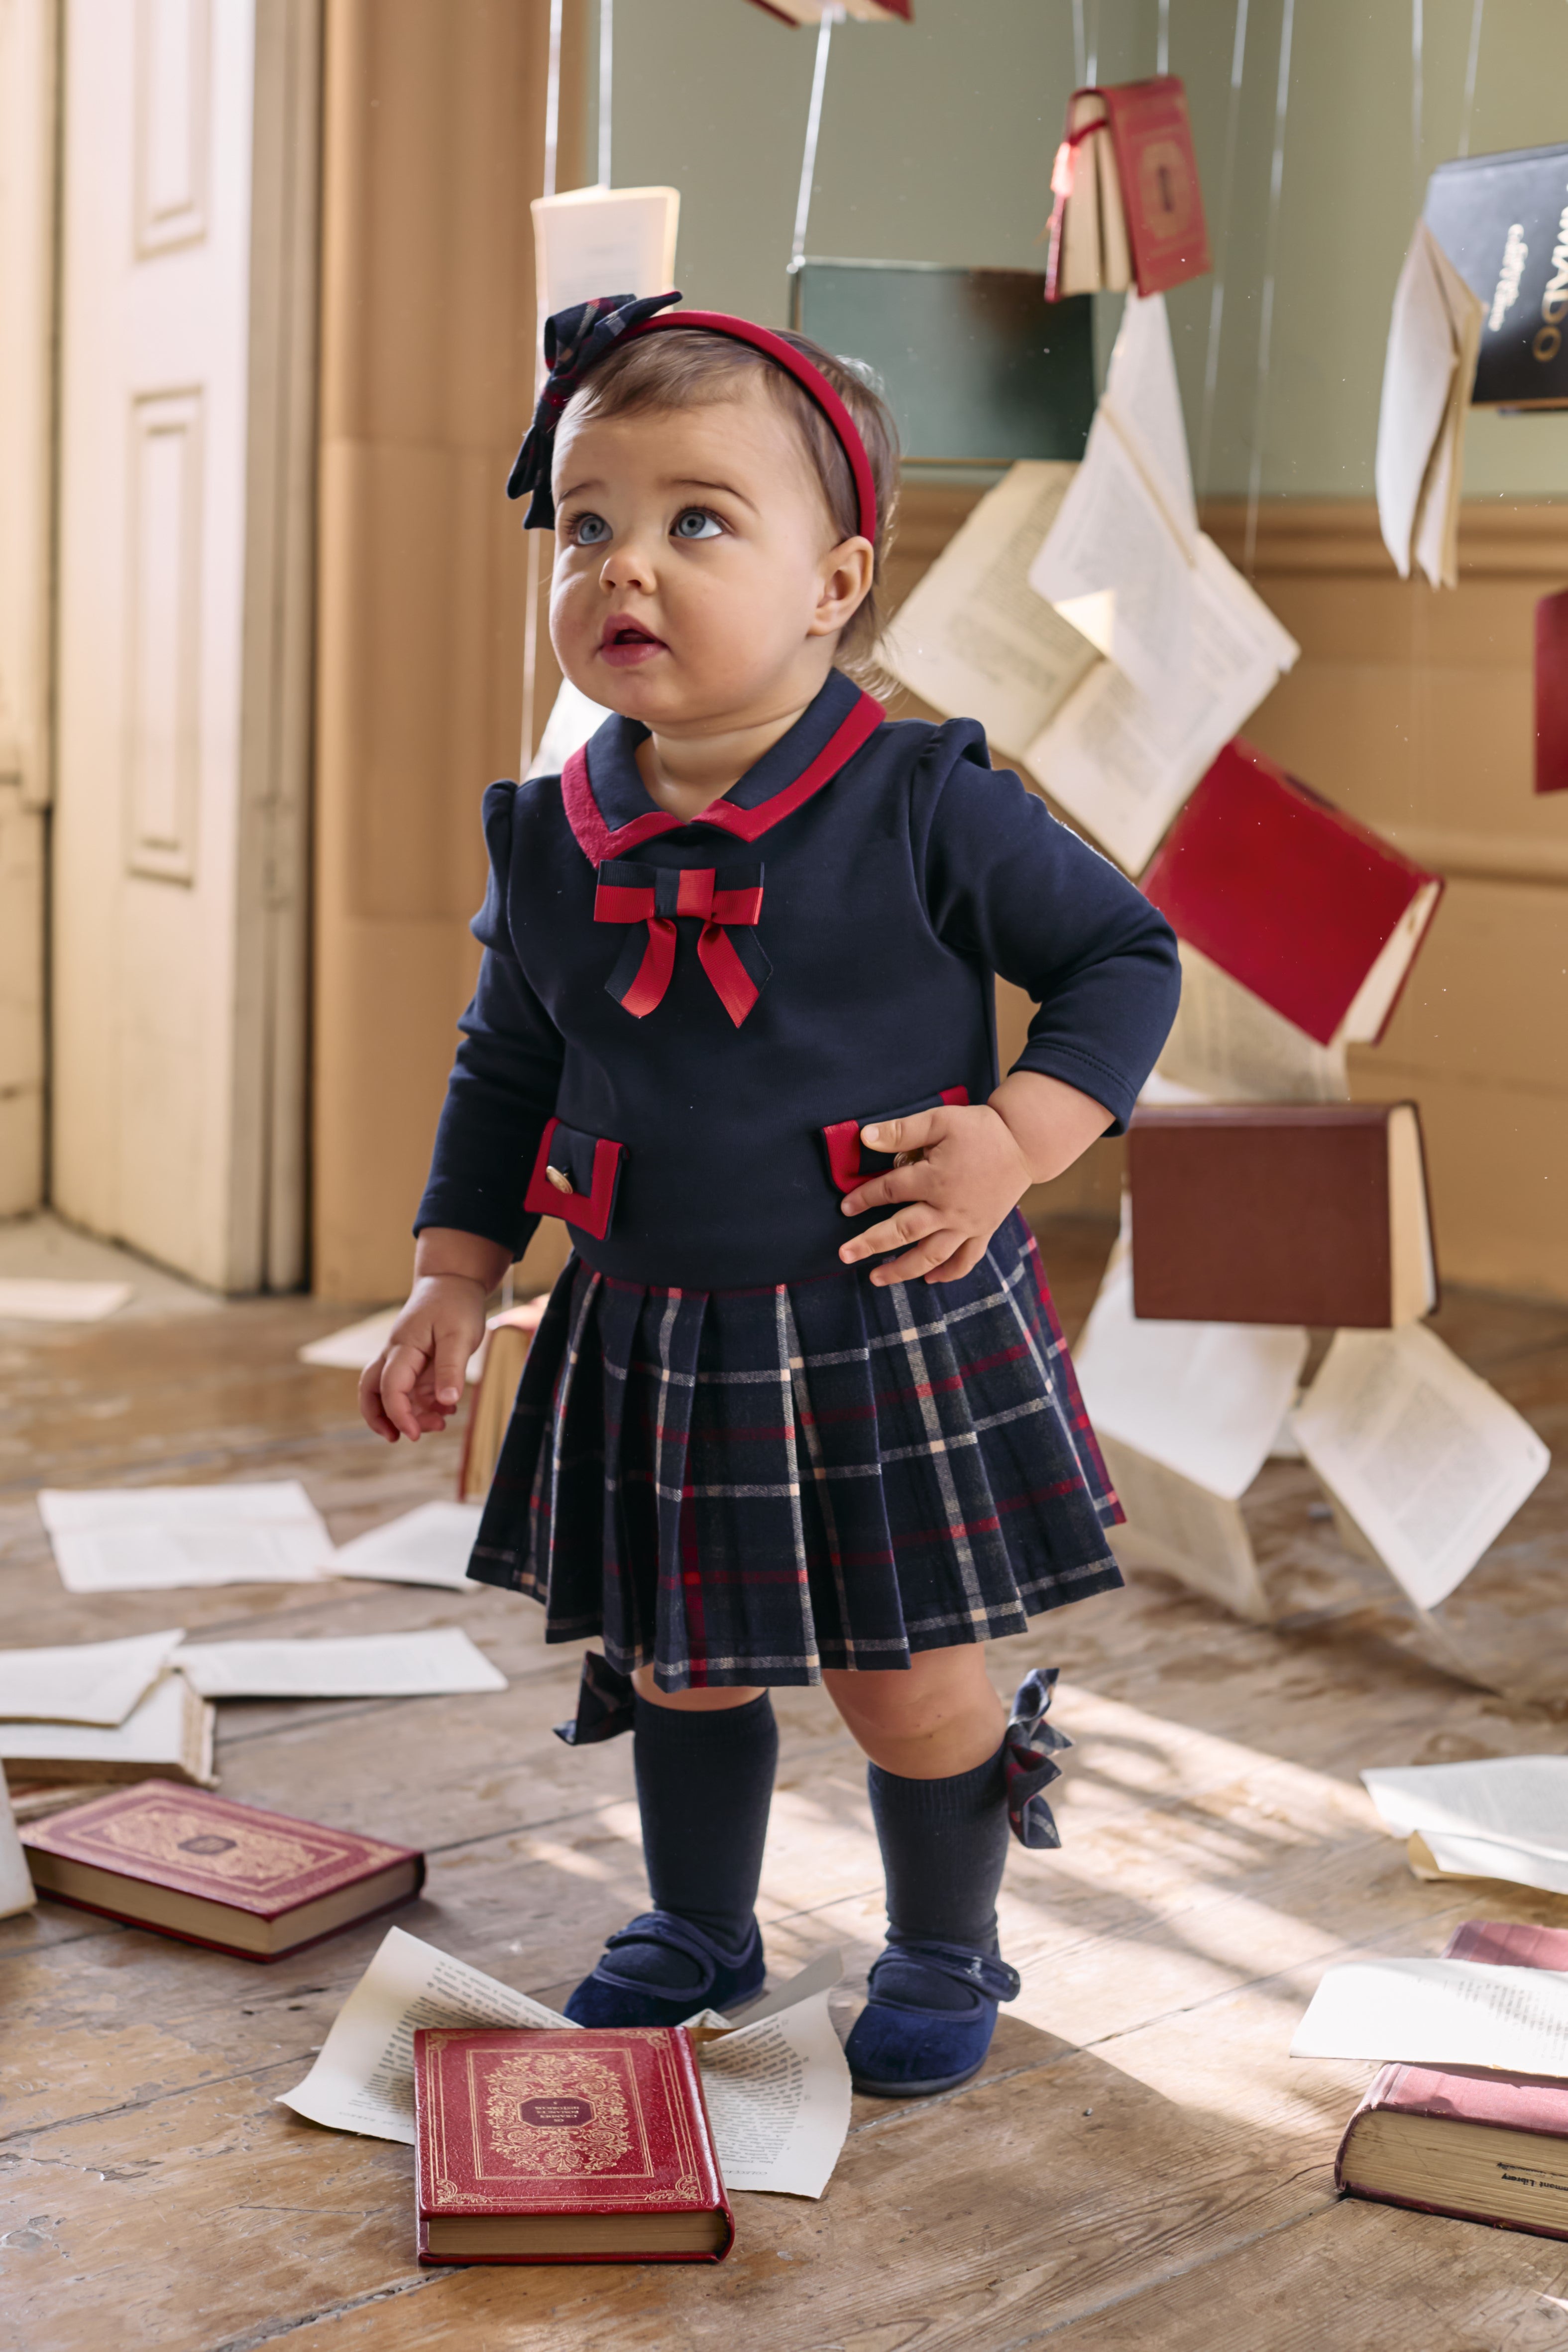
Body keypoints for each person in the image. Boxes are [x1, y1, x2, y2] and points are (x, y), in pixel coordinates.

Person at [360, 292, 1180, 2098]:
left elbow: (1123, 955)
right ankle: (700, 1924)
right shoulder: (550, 832)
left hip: (883, 1310)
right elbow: (506, 1065)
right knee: (682, 1659)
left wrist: (1020, 1135)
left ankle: (946, 1940)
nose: (625, 564)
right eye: (586, 523)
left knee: (908, 1678)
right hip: (654, 1320)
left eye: (697, 520)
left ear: (835, 583)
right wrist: (453, 1271)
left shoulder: (922, 795)